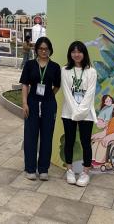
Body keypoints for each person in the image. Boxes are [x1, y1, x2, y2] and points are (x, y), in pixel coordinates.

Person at [20, 36, 61, 180]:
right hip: (32, 102)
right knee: (30, 136)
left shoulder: (55, 67)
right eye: (41, 48)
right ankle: (30, 168)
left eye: (46, 49)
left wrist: (48, 96)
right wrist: (24, 103)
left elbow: (57, 86)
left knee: (47, 136)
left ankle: (43, 169)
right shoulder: (30, 64)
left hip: (49, 104)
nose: (44, 51)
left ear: (50, 50)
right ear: (36, 49)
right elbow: (25, 84)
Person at [61, 41, 97, 187]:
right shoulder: (65, 70)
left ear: (84, 53)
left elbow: (90, 94)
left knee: (85, 142)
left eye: (79, 51)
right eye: (73, 52)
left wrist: (80, 111)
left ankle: (85, 172)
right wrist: (75, 111)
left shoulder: (91, 71)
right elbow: (66, 92)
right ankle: (69, 170)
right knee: (69, 141)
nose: (76, 54)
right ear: (70, 54)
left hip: (86, 113)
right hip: (68, 112)